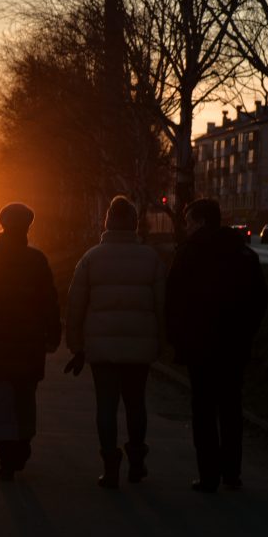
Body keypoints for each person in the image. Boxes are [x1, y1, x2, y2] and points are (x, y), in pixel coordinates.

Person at [166, 198, 267, 493]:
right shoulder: (243, 254)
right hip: (234, 346)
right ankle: (232, 473)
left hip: (199, 346)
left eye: (188, 221)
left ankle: (208, 475)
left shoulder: (188, 255)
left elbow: (173, 300)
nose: (185, 226)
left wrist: (177, 338)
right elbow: (260, 298)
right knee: (231, 407)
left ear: (200, 222)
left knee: (204, 410)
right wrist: (246, 333)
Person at [65, 196, 166, 488]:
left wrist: (76, 345)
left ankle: (110, 465)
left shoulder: (91, 258)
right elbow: (161, 305)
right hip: (139, 345)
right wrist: (161, 341)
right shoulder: (151, 258)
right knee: (136, 404)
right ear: (135, 223)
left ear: (107, 221)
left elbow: (75, 306)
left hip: (102, 347)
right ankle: (137, 461)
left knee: (106, 406)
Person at [0, 203, 61, 481]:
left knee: (1, 398)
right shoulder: (37, 261)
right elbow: (50, 303)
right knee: (25, 395)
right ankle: (23, 443)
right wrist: (53, 334)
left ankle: (6, 456)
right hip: (29, 344)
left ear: (2, 225)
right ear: (28, 228)